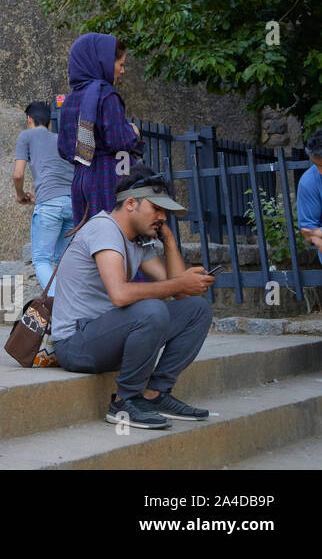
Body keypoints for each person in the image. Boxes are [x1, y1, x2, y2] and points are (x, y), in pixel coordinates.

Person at [51, 166, 214, 429]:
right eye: (156, 210)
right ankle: (124, 400)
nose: (162, 217)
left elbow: (180, 291)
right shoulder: (104, 229)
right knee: (152, 309)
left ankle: (156, 394)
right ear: (130, 203)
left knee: (196, 309)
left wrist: (169, 240)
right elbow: (120, 294)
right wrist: (179, 283)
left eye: (165, 213)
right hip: (76, 343)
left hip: (109, 336)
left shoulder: (139, 241)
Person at [58, 33, 143, 226]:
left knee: (90, 239)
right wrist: (133, 133)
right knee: (115, 238)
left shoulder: (70, 100)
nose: (122, 71)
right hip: (109, 177)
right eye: (120, 65)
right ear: (103, 62)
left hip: (80, 180)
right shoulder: (106, 95)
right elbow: (118, 140)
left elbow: (64, 148)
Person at [14, 100, 77, 292]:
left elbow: (18, 174)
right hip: (71, 204)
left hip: (49, 205)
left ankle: (56, 303)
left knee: (41, 259)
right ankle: (68, 308)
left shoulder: (26, 135)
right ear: (49, 123)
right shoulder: (61, 139)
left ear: (29, 120)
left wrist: (20, 195)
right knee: (62, 261)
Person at [297, 130, 322, 266]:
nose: (321, 172)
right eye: (316, 165)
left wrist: (320, 232)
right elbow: (309, 228)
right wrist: (317, 239)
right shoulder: (308, 182)